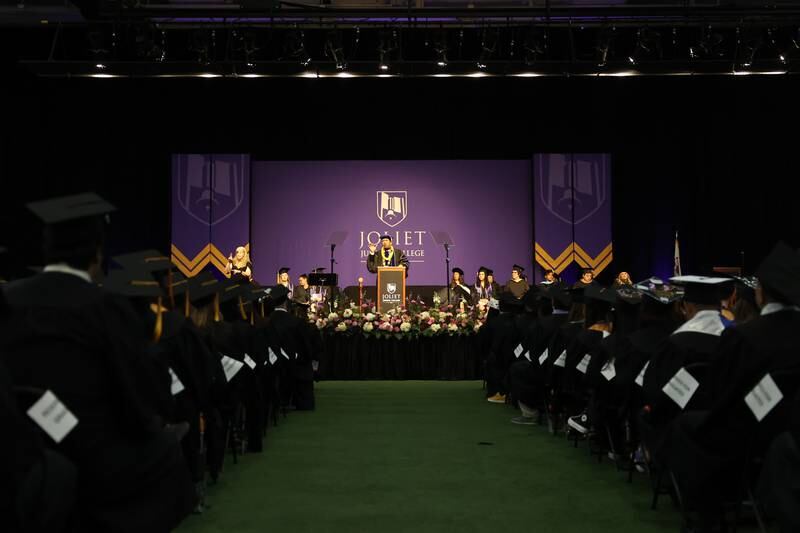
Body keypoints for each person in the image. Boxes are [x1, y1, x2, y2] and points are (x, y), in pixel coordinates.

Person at [0, 193, 195, 532]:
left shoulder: (7, 300)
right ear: (97, 254)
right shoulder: (105, 306)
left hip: (21, 450)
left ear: (46, 249)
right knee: (167, 451)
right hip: (93, 455)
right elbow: (138, 391)